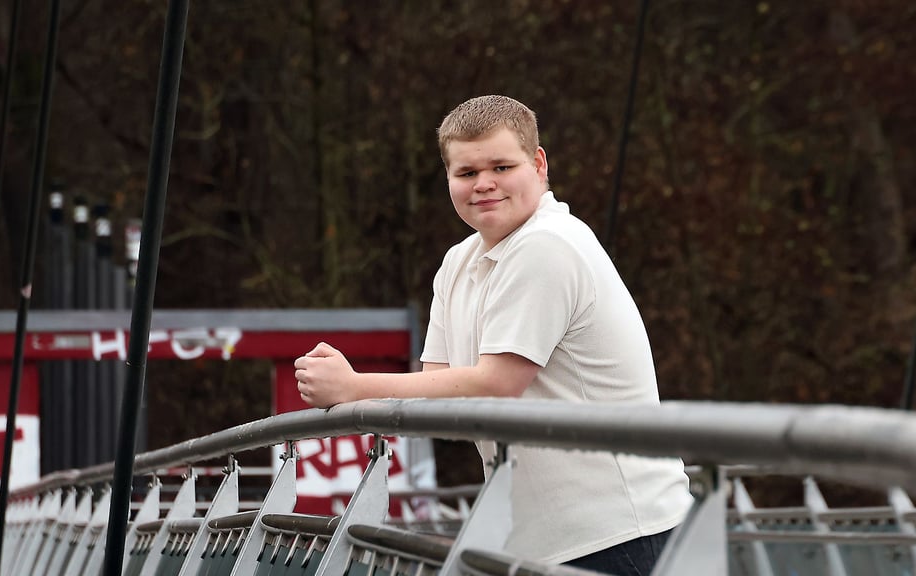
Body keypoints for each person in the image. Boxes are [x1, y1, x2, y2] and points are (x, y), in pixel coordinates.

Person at [294, 95, 692, 575]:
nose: (484, 184)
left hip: (620, 533)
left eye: (502, 166)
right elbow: (437, 401)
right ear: (448, 179)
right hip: (538, 542)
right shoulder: (458, 263)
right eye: (466, 173)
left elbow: (497, 384)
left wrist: (354, 388)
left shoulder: (547, 245)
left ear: (539, 164)